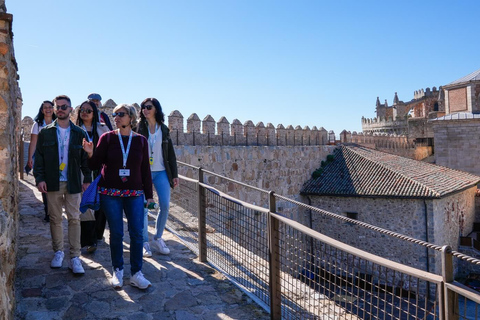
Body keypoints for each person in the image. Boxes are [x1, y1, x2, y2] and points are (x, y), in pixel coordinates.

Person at [82, 103, 154, 290]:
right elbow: (94, 165)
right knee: (117, 233)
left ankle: (137, 273)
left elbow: (145, 169)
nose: (116, 117)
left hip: (135, 194)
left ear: (131, 118)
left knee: (137, 233)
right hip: (110, 194)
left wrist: (149, 195)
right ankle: (118, 271)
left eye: (121, 114)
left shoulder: (140, 141)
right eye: (114, 114)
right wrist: (90, 154)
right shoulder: (107, 138)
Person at [33, 95, 92, 275]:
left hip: (73, 182)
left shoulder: (79, 133)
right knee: (55, 219)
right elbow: (39, 158)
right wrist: (39, 179)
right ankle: (58, 252)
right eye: (58, 106)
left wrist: (87, 179)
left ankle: (75, 257)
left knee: (74, 218)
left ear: (70, 109)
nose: (60, 109)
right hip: (52, 182)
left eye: (64, 106)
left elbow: (85, 160)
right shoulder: (46, 132)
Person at [136, 98, 179, 257]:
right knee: (144, 208)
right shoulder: (139, 128)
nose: (145, 110)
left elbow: (171, 154)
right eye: (143, 108)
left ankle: (158, 237)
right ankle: (144, 242)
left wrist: (174, 174)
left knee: (165, 205)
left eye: (148, 107)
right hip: (143, 172)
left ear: (156, 109)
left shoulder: (164, 129)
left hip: (161, 171)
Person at [76, 100, 109, 253]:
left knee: (101, 204)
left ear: (94, 113)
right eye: (82, 109)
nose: (84, 112)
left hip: (100, 171)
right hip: (82, 172)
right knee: (86, 205)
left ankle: (98, 234)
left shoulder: (102, 130)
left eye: (88, 110)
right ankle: (89, 240)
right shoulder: (75, 130)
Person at [28, 100, 57, 222]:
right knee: (44, 185)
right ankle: (48, 211)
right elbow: (33, 142)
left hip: (56, 159)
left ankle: (55, 210)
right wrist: (30, 158)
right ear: (42, 110)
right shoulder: (38, 125)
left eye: (50, 107)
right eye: (45, 107)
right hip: (42, 159)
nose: (48, 109)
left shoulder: (59, 123)